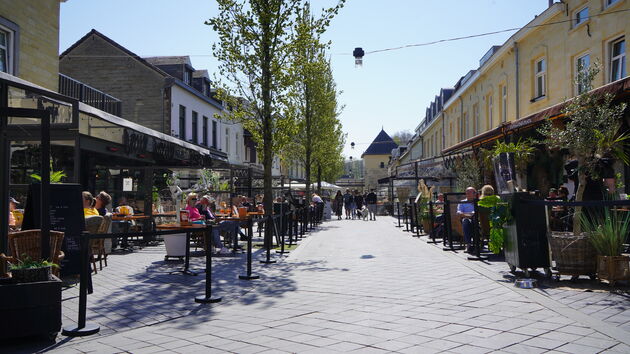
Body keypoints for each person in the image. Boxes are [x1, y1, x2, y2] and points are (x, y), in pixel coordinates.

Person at [457, 187, 477, 253]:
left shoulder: (477, 201)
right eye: (467, 193)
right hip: (466, 218)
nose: (467, 194)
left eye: (469, 193)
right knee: (465, 221)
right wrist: (468, 215)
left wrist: (472, 214)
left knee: (475, 221)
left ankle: (476, 244)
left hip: (476, 219)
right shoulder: (462, 202)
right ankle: (468, 244)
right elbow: (459, 212)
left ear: (474, 194)